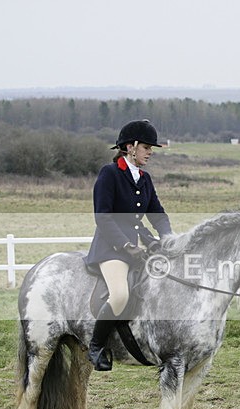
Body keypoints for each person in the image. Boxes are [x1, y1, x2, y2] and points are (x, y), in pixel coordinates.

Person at [84, 119, 172, 371]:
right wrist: (125, 246)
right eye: (146, 147)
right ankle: (96, 346)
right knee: (120, 294)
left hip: (139, 245)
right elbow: (103, 216)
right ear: (131, 147)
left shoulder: (144, 179)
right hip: (111, 248)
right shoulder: (109, 173)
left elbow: (157, 214)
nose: (150, 153)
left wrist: (167, 238)